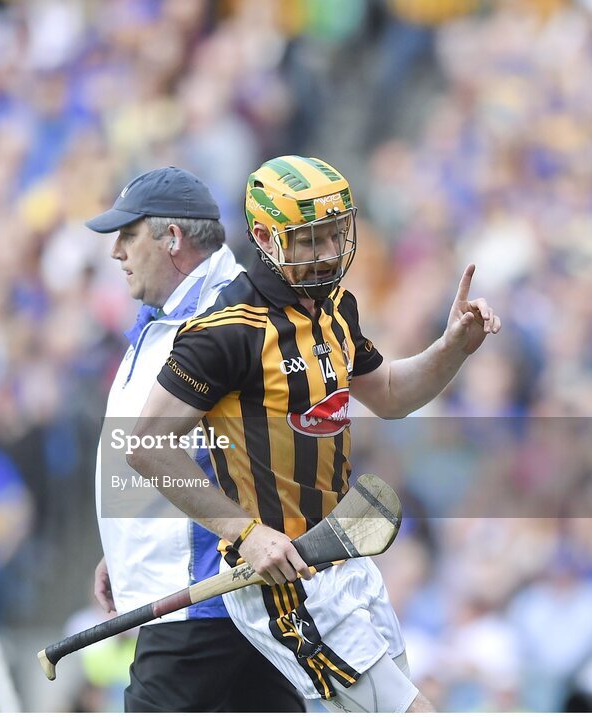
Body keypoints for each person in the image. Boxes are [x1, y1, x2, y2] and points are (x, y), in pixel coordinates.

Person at [127, 155, 501, 712]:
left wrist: (452, 349)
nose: (327, 252)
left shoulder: (334, 311)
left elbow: (393, 394)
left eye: (334, 235)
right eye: (307, 241)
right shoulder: (224, 333)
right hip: (286, 580)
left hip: (346, 557)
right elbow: (144, 447)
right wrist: (245, 534)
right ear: (263, 236)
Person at [86, 166, 305, 711]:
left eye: (128, 235)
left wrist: (246, 536)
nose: (116, 252)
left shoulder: (223, 314)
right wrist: (125, 543)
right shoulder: (170, 313)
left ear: (172, 239)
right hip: (203, 594)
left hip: (203, 598)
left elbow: (233, 448)